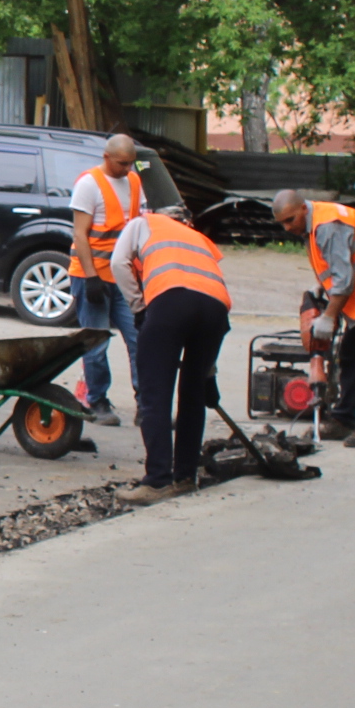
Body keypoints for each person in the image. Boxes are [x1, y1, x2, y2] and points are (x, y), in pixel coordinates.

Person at [110, 207, 233, 505]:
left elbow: (118, 262)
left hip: (171, 301)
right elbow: (205, 291)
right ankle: (185, 478)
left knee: (155, 394)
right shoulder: (198, 238)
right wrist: (208, 372)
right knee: (193, 396)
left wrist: (138, 308)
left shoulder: (143, 223)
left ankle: (157, 481)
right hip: (217, 310)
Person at [272, 189, 355, 447]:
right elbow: (338, 268)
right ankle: (343, 419)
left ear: (303, 208)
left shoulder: (327, 226)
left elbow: (344, 281)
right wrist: (323, 288)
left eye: (290, 220)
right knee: (349, 356)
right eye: (282, 223)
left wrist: (328, 318)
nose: (287, 227)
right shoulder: (314, 223)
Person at [66, 133, 145, 426]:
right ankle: (97, 402)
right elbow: (80, 235)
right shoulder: (89, 184)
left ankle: (145, 404)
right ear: (107, 157)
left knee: (140, 340)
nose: (127, 169)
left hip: (124, 278)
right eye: (122, 164)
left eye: (131, 164)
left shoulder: (135, 181)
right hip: (94, 276)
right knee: (96, 344)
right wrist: (90, 278)